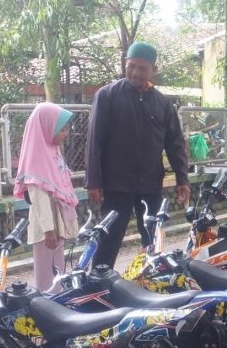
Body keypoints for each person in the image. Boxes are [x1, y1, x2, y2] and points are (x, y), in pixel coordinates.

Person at [85, 41, 191, 268]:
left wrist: (182, 179)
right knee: (109, 238)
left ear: (153, 70)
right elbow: (94, 140)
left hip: (150, 185)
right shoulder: (107, 96)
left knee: (153, 240)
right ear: (125, 63)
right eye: (131, 66)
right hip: (116, 184)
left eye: (142, 68)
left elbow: (175, 144)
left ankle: (151, 280)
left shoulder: (163, 104)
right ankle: (98, 283)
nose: (135, 73)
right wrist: (93, 181)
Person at [13, 103, 79, 293]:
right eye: (62, 129)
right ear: (47, 128)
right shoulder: (36, 160)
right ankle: (48, 302)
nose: (66, 134)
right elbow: (39, 200)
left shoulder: (51, 152)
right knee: (47, 274)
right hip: (47, 228)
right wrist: (49, 231)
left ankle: (57, 299)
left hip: (55, 223)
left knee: (57, 269)